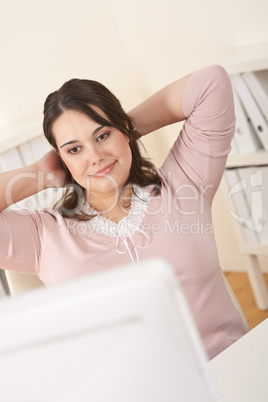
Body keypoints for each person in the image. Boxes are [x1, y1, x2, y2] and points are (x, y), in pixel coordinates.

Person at [0, 64, 247, 359]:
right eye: (74, 149)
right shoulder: (45, 237)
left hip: (229, 372)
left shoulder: (184, 183)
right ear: (62, 159)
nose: (95, 156)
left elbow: (211, 83)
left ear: (124, 128)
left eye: (102, 135)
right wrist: (41, 173)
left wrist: (124, 127)